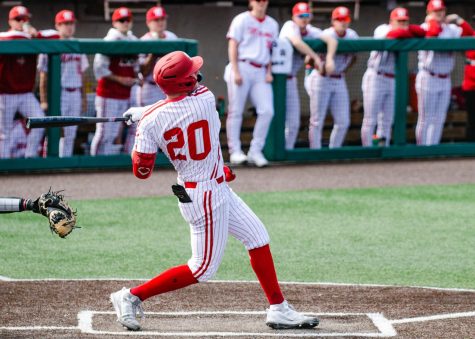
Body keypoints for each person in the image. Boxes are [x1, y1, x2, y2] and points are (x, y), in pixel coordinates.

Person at [111, 51, 319, 331]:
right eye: (190, 74)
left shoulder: (151, 122)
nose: (196, 76)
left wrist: (142, 125)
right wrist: (148, 114)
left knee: (257, 237)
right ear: (183, 83)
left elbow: (142, 172)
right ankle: (131, 296)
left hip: (205, 187)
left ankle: (278, 308)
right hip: (205, 197)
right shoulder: (206, 99)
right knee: (201, 269)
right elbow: (183, 99)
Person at [224, 0, 279, 167]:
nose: (261, 3)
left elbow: (271, 50)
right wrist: (236, 70)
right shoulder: (242, 19)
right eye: (257, 0)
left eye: (264, 0)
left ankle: (255, 151)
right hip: (242, 65)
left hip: (261, 70)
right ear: (251, 2)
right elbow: (233, 45)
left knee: (267, 111)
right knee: (236, 111)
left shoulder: (272, 24)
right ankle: (235, 152)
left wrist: (269, 71)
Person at [361, 8, 426, 147]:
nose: (402, 24)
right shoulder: (382, 29)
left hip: (392, 80)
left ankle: (383, 146)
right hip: (376, 76)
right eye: (399, 21)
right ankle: (366, 149)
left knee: (387, 118)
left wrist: (409, 30)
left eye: (405, 21)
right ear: (391, 21)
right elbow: (396, 33)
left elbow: (422, 32)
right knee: (370, 118)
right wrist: (409, 31)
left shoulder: (406, 30)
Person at [0, 6, 58, 158]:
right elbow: (9, 37)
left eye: (24, 19)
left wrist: (36, 34)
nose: (21, 22)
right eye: (18, 19)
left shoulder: (32, 38)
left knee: (39, 124)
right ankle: (4, 165)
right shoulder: (5, 36)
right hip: (6, 94)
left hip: (26, 94)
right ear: (10, 21)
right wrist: (26, 35)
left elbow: (56, 35)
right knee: (4, 133)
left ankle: (29, 158)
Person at [279, 2, 337, 150]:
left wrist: (329, 59)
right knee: (275, 119)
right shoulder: (289, 25)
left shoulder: (311, 30)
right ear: (294, 17)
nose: (304, 19)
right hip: (275, 80)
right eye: (300, 16)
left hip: (291, 79)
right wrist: (316, 58)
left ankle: (287, 152)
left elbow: (331, 40)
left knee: (293, 123)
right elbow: (297, 42)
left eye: (306, 15)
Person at [415, 0, 473, 145]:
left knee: (439, 117)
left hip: (445, 78)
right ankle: (422, 150)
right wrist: (433, 21)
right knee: (425, 118)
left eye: (441, 10)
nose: (439, 14)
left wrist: (459, 20)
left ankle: (433, 148)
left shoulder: (451, 29)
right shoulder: (424, 27)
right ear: (429, 13)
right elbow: (433, 33)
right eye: (435, 11)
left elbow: (470, 35)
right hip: (428, 76)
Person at [304, 6, 358, 149]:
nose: (342, 22)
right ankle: (315, 151)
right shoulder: (326, 34)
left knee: (343, 121)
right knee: (317, 120)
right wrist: (319, 65)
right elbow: (307, 60)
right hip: (321, 79)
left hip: (339, 79)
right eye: (339, 19)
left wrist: (344, 70)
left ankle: (334, 150)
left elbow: (354, 58)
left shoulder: (352, 35)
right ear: (333, 21)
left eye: (345, 19)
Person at [38, 10, 89, 157]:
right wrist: (44, 99)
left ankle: (65, 162)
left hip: (75, 94)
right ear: (57, 25)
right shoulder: (49, 45)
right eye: (65, 24)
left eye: (71, 23)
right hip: (58, 93)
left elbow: (83, 74)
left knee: (71, 132)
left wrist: (84, 97)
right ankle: (49, 160)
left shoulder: (77, 46)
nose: (69, 27)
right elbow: (43, 76)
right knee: (54, 130)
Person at [91, 7, 139, 155]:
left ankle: (116, 160)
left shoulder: (133, 40)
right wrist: (120, 79)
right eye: (121, 20)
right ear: (114, 22)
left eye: (127, 20)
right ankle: (94, 162)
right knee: (104, 132)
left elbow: (136, 66)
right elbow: (99, 69)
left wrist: (136, 79)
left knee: (122, 130)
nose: (125, 23)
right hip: (108, 93)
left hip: (126, 94)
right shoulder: (110, 40)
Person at [138, 6, 178, 106]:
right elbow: (143, 72)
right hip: (151, 87)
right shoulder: (143, 41)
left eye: (162, 19)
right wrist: (153, 54)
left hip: (171, 86)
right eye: (156, 20)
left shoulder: (172, 37)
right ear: (148, 23)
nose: (160, 22)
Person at [462, 19, 475, 141]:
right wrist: (460, 21)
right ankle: (470, 143)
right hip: (471, 84)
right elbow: (466, 31)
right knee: (472, 116)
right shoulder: (471, 34)